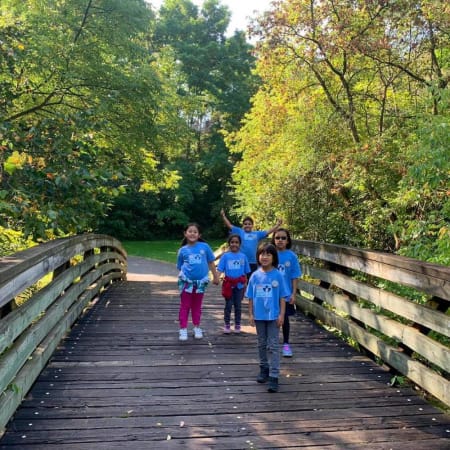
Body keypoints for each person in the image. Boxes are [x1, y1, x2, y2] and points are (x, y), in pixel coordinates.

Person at [245, 243, 289, 393]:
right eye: (262, 254)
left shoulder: (278, 275)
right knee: (261, 343)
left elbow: (283, 297)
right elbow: (250, 297)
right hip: (259, 316)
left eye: (268, 254)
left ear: (273, 257)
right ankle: (264, 368)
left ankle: (274, 376)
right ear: (258, 256)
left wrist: (282, 315)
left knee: (274, 345)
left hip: (273, 316)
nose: (265, 257)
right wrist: (250, 314)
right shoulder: (255, 276)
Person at [176, 223, 219, 341]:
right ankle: (183, 329)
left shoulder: (204, 247)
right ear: (185, 233)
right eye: (190, 231)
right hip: (186, 282)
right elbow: (180, 267)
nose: (192, 234)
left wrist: (215, 276)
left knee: (197, 306)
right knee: (185, 305)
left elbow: (211, 262)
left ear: (199, 234)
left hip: (201, 283)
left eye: (195, 232)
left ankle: (196, 327)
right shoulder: (182, 250)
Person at [220, 209, 282, 275]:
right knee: (242, 280)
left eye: (249, 224)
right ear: (243, 225)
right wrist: (223, 216)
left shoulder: (257, 234)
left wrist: (277, 225)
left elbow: (268, 231)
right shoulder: (240, 231)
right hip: (242, 261)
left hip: (253, 262)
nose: (247, 225)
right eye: (245, 224)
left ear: (252, 225)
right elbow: (229, 225)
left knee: (252, 279)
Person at [271, 228, 302, 357]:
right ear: (273, 240)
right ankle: (271, 342)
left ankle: (286, 344)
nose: (280, 240)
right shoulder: (270, 254)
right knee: (271, 318)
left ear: (288, 240)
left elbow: (295, 276)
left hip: (286, 293)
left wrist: (294, 293)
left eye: (283, 238)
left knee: (285, 319)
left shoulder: (292, 256)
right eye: (277, 238)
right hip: (271, 293)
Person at [217, 234, 250, 334]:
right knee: (228, 305)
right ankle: (227, 324)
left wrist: (246, 284)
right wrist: (216, 278)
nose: (234, 244)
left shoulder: (243, 257)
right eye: (232, 242)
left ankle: (237, 324)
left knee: (238, 306)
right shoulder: (225, 256)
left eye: (236, 242)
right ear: (229, 244)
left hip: (239, 285)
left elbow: (245, 272)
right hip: (228, 285)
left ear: (240, 244)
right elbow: (220, 269)